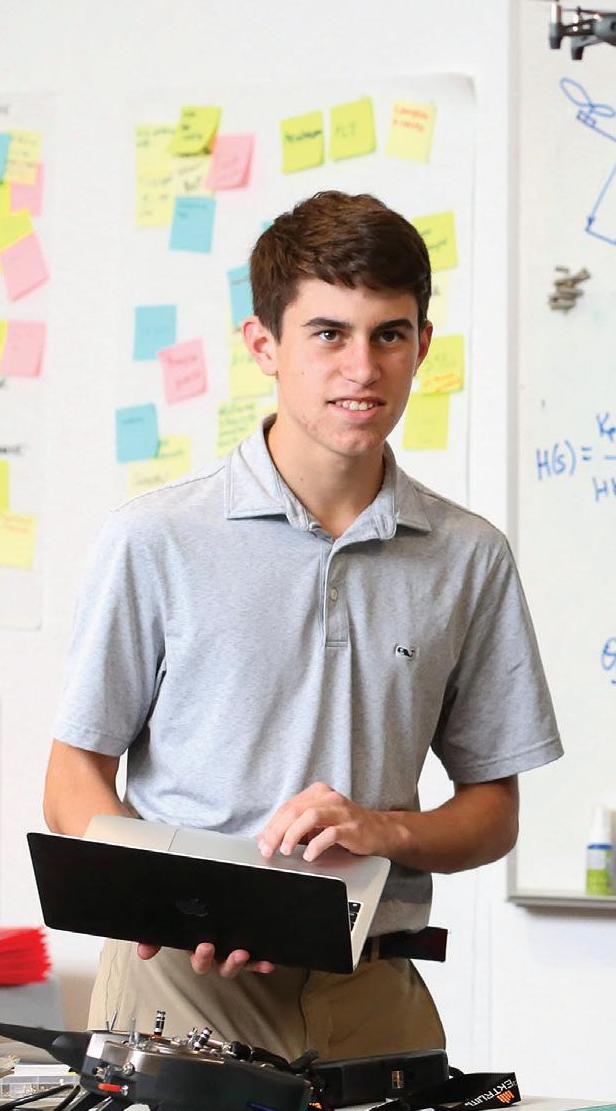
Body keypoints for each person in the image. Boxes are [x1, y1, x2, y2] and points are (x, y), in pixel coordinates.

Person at [43, 190, 562, 1059]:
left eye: (389, 335)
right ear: (264, 346)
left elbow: (492, 812)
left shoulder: (469, 556)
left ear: (421, 346)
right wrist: (178, 901)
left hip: (375, 986)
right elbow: (72, 777)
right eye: (328, 334)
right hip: (181, 984)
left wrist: (385, 829)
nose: (363, 367)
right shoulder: (156, 538)